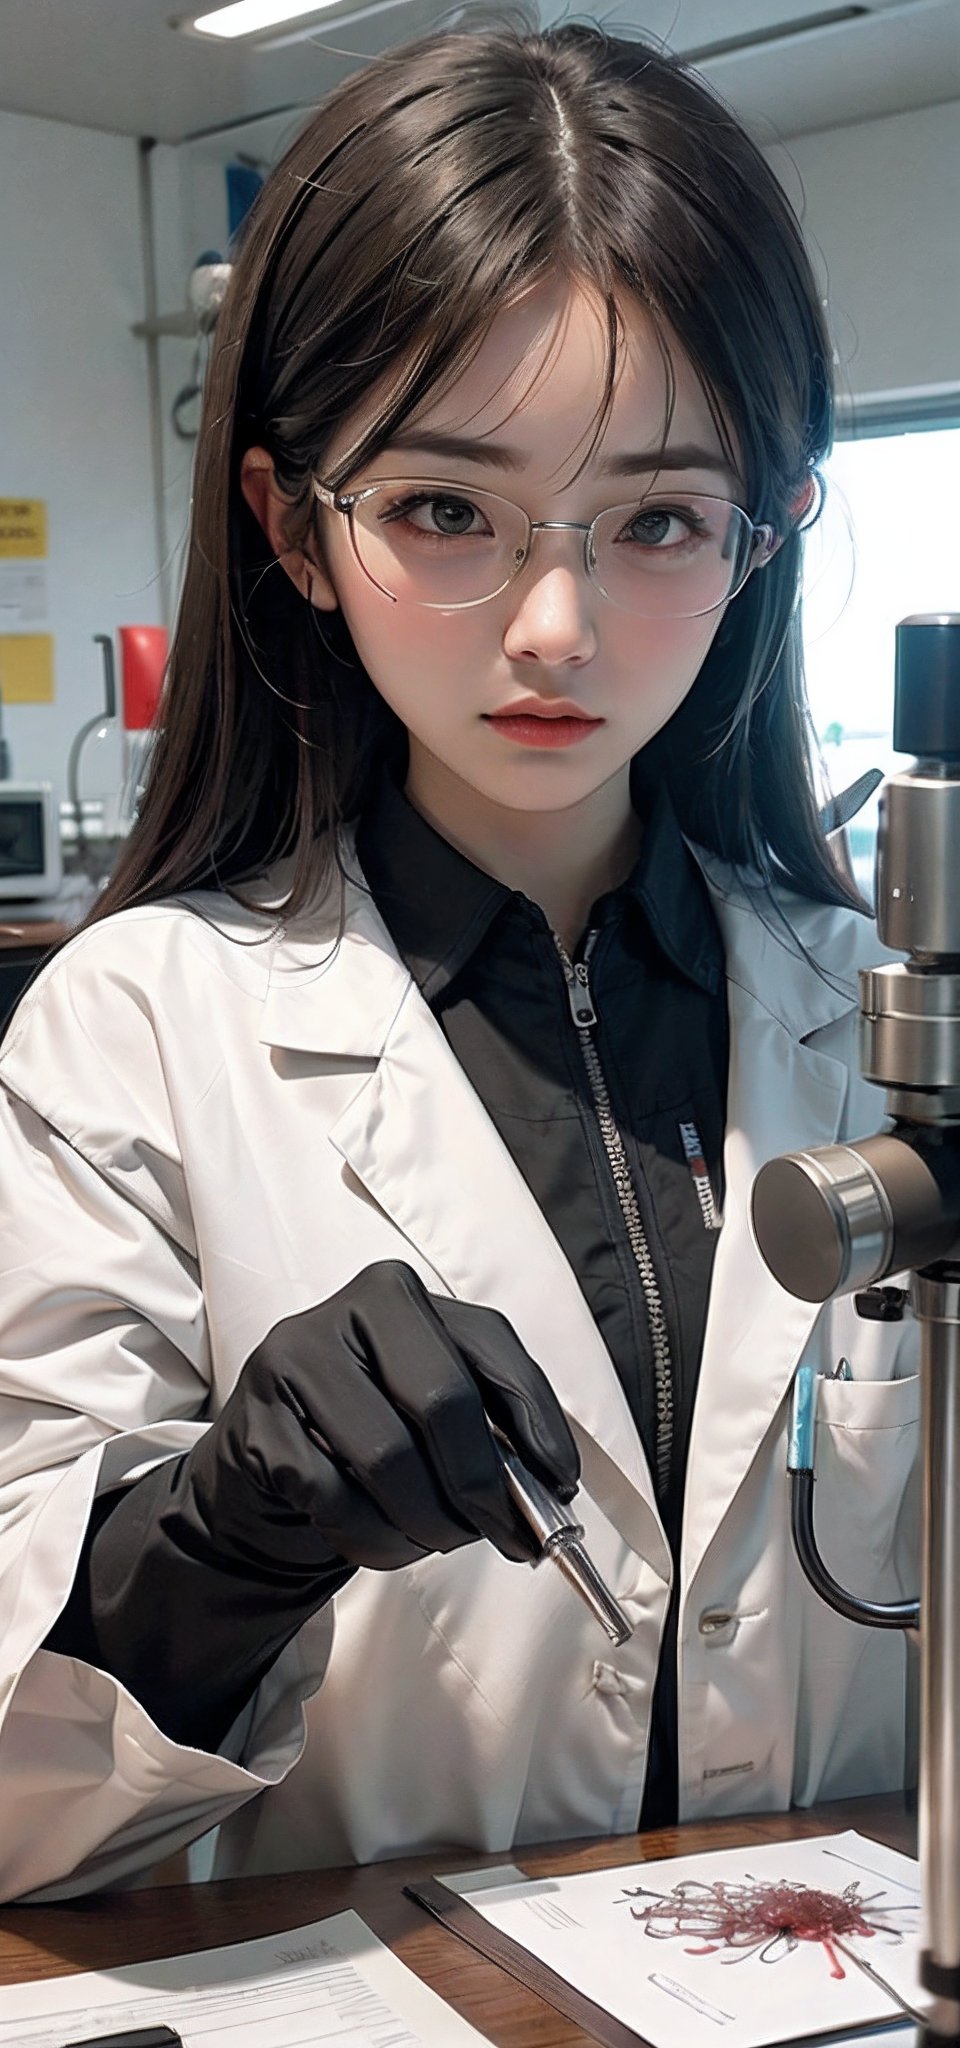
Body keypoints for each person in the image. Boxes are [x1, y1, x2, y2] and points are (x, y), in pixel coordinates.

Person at [0, 19, 919, 1904]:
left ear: (763, 538)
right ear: (294, 530)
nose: (559, 628)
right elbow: (22, 1821)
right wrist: (225, 1532)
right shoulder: (138, 1030)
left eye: (658, 518)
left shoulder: (891, 1021)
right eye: (443, 511)